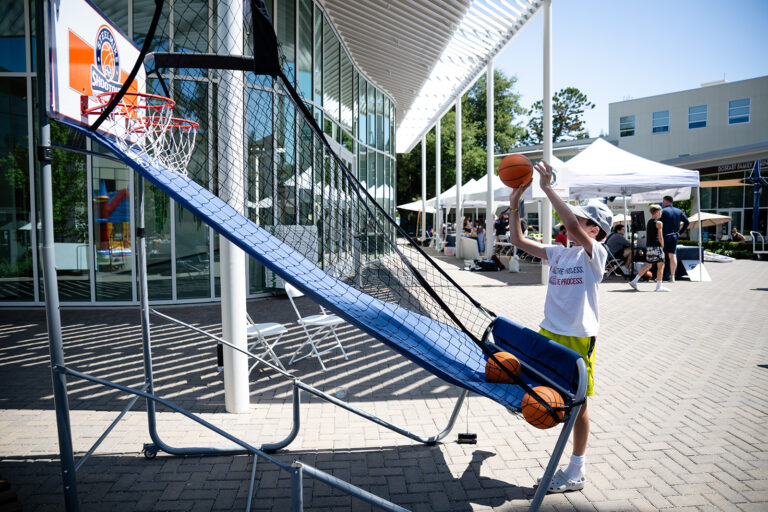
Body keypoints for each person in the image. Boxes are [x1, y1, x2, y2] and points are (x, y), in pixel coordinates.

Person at [507, 160, 612, 494]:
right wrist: (513, 207)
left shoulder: (596, 254)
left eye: (582, 219)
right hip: (549, 331)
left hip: (578, 338)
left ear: (594, 229)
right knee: (536, 387)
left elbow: (570, 224)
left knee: (578, 407)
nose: (574, 220)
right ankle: (537, 408)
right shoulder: (559, 254)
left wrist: (548, 188)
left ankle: (576, 469)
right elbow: (518, 240)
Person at [629, 205, 669, 292]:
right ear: (657, 212)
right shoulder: (659, 223)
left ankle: (634, 281)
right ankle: (659, 286)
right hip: (657, 247)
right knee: (661, 266)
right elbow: (660, 237)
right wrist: (663, 246)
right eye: (661, 212)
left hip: (649, 247)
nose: (661, 213)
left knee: (648, 265)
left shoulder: (649, 222)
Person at [660, 196, 689, 283]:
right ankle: (672, 277)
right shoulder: (679, 211)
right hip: (674, 236)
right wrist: (680, 232)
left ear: (665, 201)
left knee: (663, 256)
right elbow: (687, 222)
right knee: (672, 256)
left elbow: (658, 224)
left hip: (664, 236)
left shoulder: (663, 211)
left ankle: (660, 276)